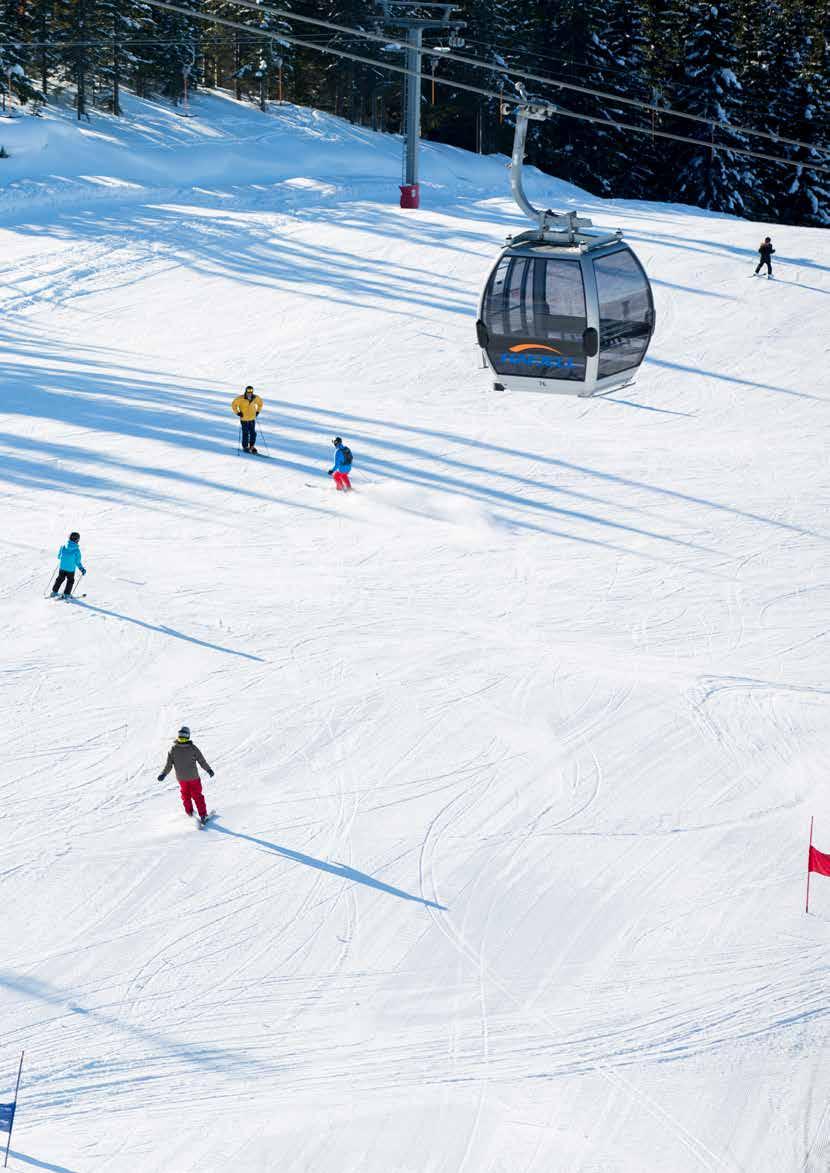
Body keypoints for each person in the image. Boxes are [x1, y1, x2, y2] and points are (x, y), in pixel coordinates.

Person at [157, 725, 214, 824]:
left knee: (186, 795)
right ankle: (203, 815)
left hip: (182, 779)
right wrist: (208, 770)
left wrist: (163, 774)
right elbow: (201, 761)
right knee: (197, 796)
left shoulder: (173, 749)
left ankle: (190, 812)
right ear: (188, 736)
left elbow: (168, 765)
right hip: (193, 778)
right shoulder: (192, 748)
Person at [52, 531, 86, 598]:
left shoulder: (63, 546)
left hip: (62, 568)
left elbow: (59, 556)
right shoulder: (77, 550)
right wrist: (82, 569)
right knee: (70, 580)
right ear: (77, 540)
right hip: (70, 570)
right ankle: (66, 594)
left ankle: (54, 592)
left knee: (60, 579)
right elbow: (77, 562)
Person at [231, 386, 263, 453]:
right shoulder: (240, 398)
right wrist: (238, 413)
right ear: (246, 391)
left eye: (251, 391)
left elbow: (260, 403)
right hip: (244, 419)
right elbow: (233, 404)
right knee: (245, 433)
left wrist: (257, 411)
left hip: (252, 418)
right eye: (248, 391)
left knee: (253, 433)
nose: (249, 393)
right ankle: (245, 447)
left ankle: (252, 446)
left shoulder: (255, 398)